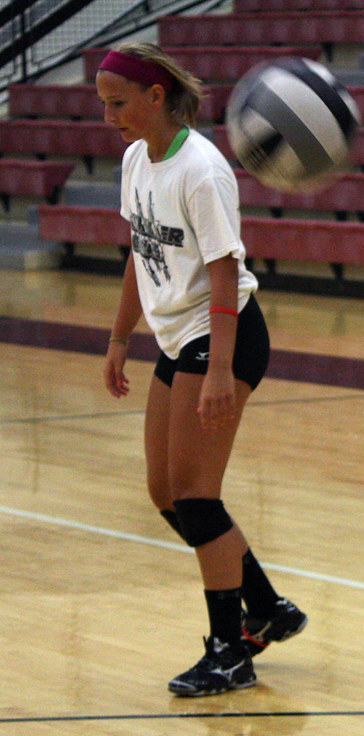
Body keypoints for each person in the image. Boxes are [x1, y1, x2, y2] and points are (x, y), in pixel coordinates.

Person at [98, 43, 306, 697]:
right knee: (165, 493)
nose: (110, 118)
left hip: (223, 335)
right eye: (104, 105)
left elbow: (222, 270)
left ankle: (229, 651)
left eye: (119, 104)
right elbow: (140, 254)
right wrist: (117, 338)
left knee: (196, 493)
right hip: (178, 336)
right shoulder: (136, 160)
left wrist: (218, 369)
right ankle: (267, 605)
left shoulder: (202, 170)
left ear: (155, 97)